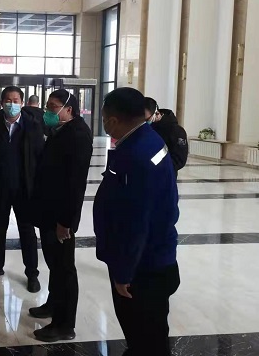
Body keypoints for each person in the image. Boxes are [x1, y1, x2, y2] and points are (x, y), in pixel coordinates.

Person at [94, 87, 180, 356]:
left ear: (114, 120)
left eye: (104, 119)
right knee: (150, 334)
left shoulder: (136, 155)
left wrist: (124, 273)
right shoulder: (148, 139)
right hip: (156, 257)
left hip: (143, 269)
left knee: (145, 335)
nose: (104, 125)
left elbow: (136, 222)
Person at [29, 89, 93, 342]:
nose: (48, 111)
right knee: (54, 265)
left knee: (64, 269)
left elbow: (75, 184)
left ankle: (64, 325)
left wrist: (66, 222)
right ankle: (53, 305)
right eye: (47, 106)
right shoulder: (62, 130)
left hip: (60, 217)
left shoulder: (78, 135)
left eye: (53, 106)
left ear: (69, 109)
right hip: (49, 212)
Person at [0, 86, 45, 293]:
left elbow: (39, 156)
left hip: (24, 190)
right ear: (1, 102)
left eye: (15, 100)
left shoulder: (32, 125)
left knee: (27, 231)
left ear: (22, 103)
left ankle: (32, 273)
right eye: (8, 100)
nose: (11, 104)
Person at [144, 97, 188, 172]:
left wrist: (154, 167)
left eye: (147, 119)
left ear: (157, 113)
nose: (144, 122)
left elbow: (179, 160)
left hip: (164, 174)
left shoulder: (176, 131)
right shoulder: (145, 128)